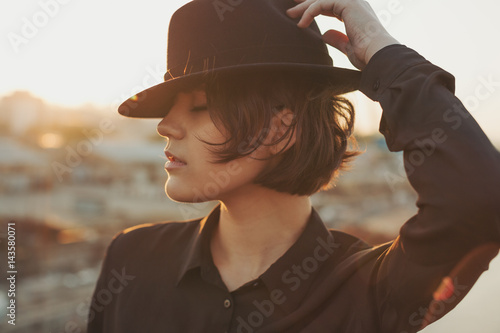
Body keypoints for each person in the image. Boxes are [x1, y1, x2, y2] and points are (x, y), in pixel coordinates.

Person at [87, 0, 500, 332]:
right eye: (168, 108)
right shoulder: (131, 259)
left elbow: (480, 200)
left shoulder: (371, 291)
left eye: (201, 105)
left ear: (281, 128)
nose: (164, 126)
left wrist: (382, 50)